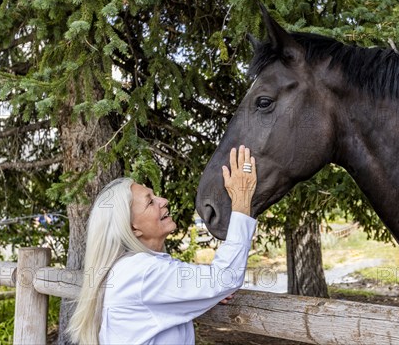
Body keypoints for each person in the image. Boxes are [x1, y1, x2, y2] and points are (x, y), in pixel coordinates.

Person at [67, 145, 257, 345]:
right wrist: (242, 200)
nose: (164, 201)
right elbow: (225, 278)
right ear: (133, 229)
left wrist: (204, 294)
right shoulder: (143, 273)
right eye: (150, 202)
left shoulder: (131, 270)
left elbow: (211, 283)